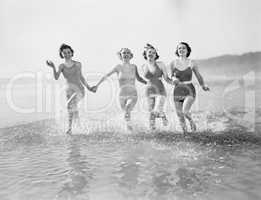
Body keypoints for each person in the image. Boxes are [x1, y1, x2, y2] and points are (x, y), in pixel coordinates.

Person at [92, 48, 147, 130]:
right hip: (121, 95)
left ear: (131, 55)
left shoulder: (134, 67)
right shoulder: (118, 67)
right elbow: (106, 75)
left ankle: (130, 130)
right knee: (126, 114)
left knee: (128, 110)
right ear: (121, 56)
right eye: (124, 53)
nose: (126, 54)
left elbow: (138, 78)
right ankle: (129, 131)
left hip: (133, 94)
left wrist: (147, 83)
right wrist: (97, 85)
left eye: (128, 53)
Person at [46, 43, 95, 135]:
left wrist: (88, 88)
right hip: (68, 91)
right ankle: (79, 129)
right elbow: (56, 77)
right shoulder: (61, 66)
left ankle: (69, 129)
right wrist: (53, 67)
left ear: (72, 53)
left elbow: (81, 77)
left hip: (79, 90)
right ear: (62, 54)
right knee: (74, 110)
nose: (67, 54)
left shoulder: (78, 64)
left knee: (69, 105)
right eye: (64, 53)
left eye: (68, 52)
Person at [170, 42, 209, 133]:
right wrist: (174, 78)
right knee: (179, 115)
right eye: (179, 48)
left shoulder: (192, 62)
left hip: (189, 90)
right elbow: (172, 75)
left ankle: (191, 122)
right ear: (177, 50)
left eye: (183, 48)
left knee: (185, 112)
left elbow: (198, 76)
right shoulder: (173, 63)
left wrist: (203, 85)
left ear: (187, 50)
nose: (181, 50)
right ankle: (185, 133)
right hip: (177, 90)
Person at [142, 43, 174, 130]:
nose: (151, 54)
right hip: (148, 91)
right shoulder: (143, 66)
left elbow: (166, 78)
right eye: (149, 52)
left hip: (160, 90)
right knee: (151, 113)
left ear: (156, 55)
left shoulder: (161, 64)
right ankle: (153, 131)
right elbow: (145, 80)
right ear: (145, 54)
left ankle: (162, 115)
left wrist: (175, 83)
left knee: (156, 110)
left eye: (153, 53)